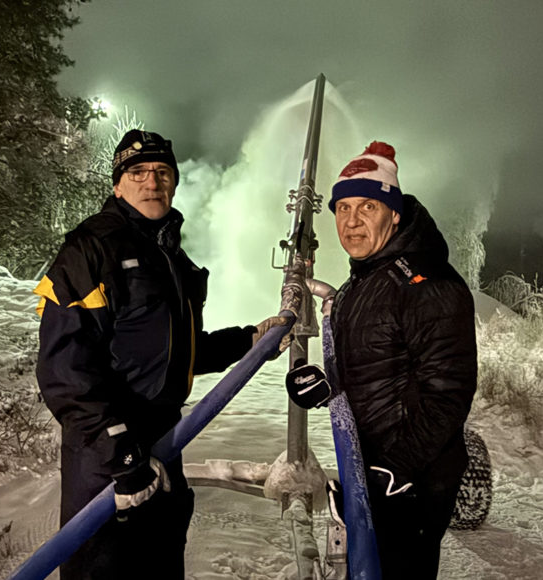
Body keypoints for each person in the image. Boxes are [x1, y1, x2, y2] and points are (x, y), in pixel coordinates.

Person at [33, 129, 286, 579]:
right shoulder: (89, 249)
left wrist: (249, 342)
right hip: (106, 453)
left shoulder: (171, 258)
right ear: (117, 184)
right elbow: (64, 368)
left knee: (160, 564)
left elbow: (177, 351)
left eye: (162, 172)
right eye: (137, 172)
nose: (152, 182)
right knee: (104, 567)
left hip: (166, 439)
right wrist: (122, 456)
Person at [328, 141, 478, 578]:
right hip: (374, 467)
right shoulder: (366, 278)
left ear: (394, 213)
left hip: (411, 480)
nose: (352, 222)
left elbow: (449, 392)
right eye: (343, 208)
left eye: (368, 207)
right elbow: (375, 364)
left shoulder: (425, 284)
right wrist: (324, 383)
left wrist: (392, 470)